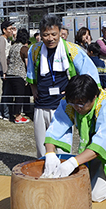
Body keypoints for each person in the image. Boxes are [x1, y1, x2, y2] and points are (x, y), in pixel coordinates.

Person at [42, 74, 106, 202]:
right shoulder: (71, 102)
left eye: (81, 104)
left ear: (94, 97)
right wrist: (50, 153)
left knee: (96, 195)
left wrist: (72, 162)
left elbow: (102, 144)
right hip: (90, 150)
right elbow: (56, 127)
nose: (76, 108)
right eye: (73, 103)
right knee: (80, 189)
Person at [26, 14, 101, 157]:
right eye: (45, 35)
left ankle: (63, 173)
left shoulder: (73, 50)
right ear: (40, 35)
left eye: (54, 34)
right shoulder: (34, 50)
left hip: (64, 105)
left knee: (62, 145)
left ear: (60, 32)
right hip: (41, 104)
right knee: (42, 146)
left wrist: (76, 94)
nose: (50, 38)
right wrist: (33, 88)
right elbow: (31, 73)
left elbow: (89, 75)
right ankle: (45, 172)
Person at [5, 28, 30, 124]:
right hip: (19, 75)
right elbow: (27, 64)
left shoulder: (13, 46)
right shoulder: (24, 49)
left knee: (11, 95)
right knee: (19, 96)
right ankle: (18, 117)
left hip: (10, 74)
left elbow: (8, 60)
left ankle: (10, 114)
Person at [0, 20, 16, 121]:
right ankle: (5, 113)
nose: (11, 31)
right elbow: (2, 56)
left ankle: (2, 112)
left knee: (6, 91)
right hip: (5, 70)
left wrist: (14, 37)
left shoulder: (8, 40)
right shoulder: (1, 40)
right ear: (4, 30)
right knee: (7, 92)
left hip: (8, 69)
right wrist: (4, 71)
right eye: (10, 29)